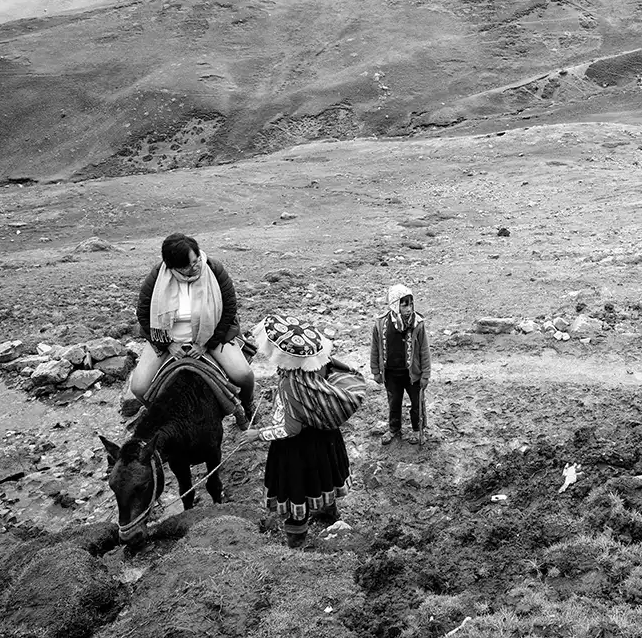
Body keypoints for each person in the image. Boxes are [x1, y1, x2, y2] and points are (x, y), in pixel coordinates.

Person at [242, 314, 368, 549]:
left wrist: (258, 434)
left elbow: (290, 428)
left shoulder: (289, 383)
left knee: (297, 491)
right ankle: (329, 513)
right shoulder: (313, 369)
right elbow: (307, 400)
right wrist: (277, 395)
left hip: (297, 450)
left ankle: (297, 540)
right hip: (325, 440)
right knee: (323, 477)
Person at [132, 232, 255, 417]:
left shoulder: (213, 269)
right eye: (187, 266)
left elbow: (229, 309)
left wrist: (207, 343)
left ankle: (247, 404)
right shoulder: (158, 276)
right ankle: (160, 417)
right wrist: (168, 345)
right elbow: (143, 313)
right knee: (139, 388)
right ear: (173, 267)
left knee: (244, 374)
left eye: (196, 260)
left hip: (211, 335)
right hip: (168, 338)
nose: (195, 267)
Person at [370, 284, 431, 445]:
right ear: (394, 305)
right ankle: (394, 428)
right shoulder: (381, 324)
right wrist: (375, 371)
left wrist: (425, 375)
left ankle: (417, 429)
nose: (408, 309)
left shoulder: (417, 324)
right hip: (391, 373)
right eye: (404, 305)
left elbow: (424, 350)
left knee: (417, 403)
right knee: (394, 402)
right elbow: (375, 348)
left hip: (412, 374)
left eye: (410, 304)